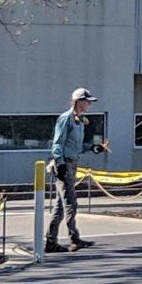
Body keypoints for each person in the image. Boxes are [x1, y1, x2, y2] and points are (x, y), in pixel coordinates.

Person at [46, 88, 110, 253]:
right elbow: (58, 143)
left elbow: (76, 146)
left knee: (61, 205)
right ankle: (74, 238)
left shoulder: (79, 121)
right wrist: (59, 163)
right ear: (78, 101)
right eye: (87, 101)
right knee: (70, 203)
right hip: (64, 163)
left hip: (72, 161)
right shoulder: (66, 118)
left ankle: (51, 240)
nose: (89, 104)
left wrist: (94, 148)